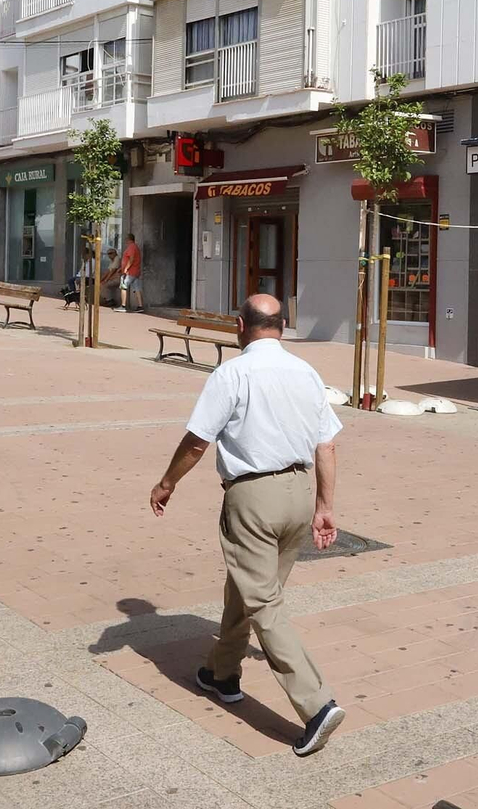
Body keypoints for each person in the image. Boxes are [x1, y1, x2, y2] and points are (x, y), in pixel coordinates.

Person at [148, 294, 347, 757]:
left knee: (264, 601)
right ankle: (222, 672)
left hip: (253, 495)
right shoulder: (307, 372)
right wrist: (325, 505)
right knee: (250, 586)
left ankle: (317, 705)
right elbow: (327, 446)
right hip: (299, 493)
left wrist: (166, 482)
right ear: (282, 324)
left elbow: (198, 441)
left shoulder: (233, 372)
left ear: (241, 325)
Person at [115, 233, 144, 313]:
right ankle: (140, 306)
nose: (125, 240)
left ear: (128, 239)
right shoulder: (134, 247)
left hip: (130, 272)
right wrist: (122, 268)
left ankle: (123, 306)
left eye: (125, 239)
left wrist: (125, 269)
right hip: (135, 271)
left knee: (123, 286)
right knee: (137, 288)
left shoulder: (131, 247)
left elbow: (131, 259)